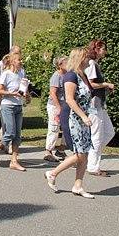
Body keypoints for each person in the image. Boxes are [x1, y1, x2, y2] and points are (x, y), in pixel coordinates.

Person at [45, 47, 95, 199]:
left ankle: (78, 186)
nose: (89, 60)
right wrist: (83, 117)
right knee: (79, 154)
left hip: (85, 119)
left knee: (84, 154)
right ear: (80, 59)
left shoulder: (83, 75)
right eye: (87, 57)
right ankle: (52, 173)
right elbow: (69, 99)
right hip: (74, 118)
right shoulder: (71, 76)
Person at [0, 53, 29, 171]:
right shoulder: (6, 74)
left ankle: (14, 161)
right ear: (12, 61)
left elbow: (23, 87)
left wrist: (27, 95)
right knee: (10, 133)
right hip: (7, 106)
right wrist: (12, 93)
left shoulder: (21, 72)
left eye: (21, 59)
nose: (21, 61)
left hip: (18, 106)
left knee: (17, 135)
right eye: (19, 60)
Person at [85, 39, 116, 176]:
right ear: (97, 49)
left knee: (109, 132)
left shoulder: (95, 63)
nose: (105, 51)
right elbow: (91, 84)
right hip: (94, 104)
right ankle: (92, 166)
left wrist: (104, 88)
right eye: (103, 49)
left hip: (100, 103)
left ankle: (89, 156)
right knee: (97, 136)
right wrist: (106, 85)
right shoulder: (91, 64)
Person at [44, 56, 67, 162]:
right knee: (54, 127)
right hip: (55, 105)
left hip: (65, 105)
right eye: (65, 62)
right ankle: (48, 151)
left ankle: (61, 150)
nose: (68, 63)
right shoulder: (56, 76)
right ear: (59, 65)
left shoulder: (67, 75)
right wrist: (58, 107)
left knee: (67, 128)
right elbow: (52, 93)